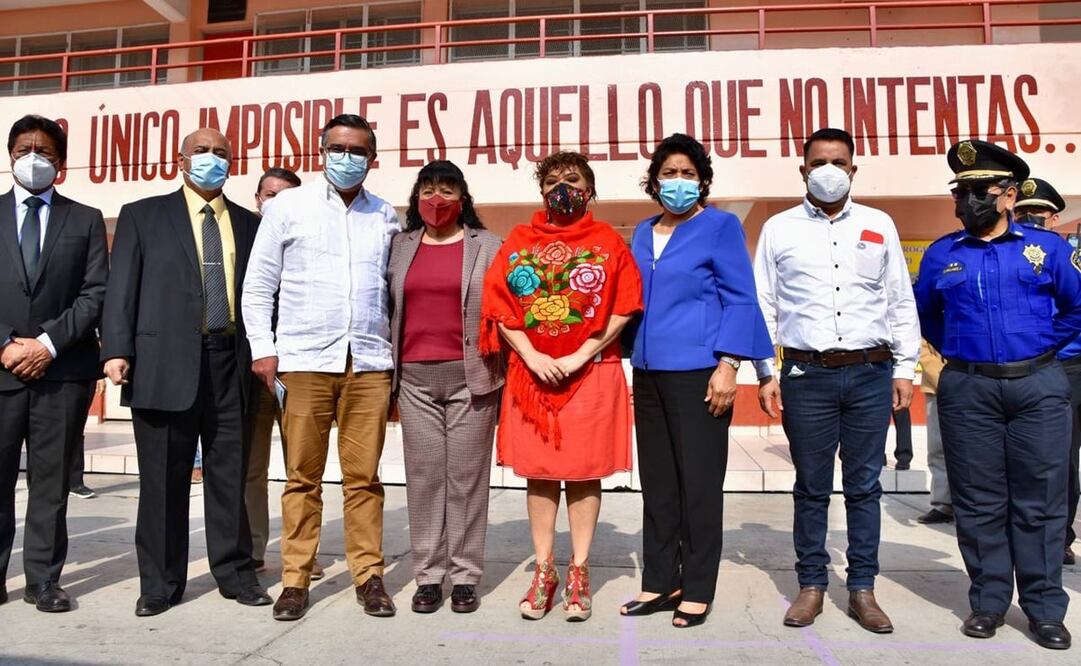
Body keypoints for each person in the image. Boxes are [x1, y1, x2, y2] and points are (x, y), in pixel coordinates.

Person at [754, 128, 920, 633]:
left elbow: (899, 299)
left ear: (853, 169)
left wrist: (905, 367)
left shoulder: (879, 223)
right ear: (803, 170)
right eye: (819, 161)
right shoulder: (779, 228)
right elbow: (764, 303)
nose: (829, 169)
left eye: (839, 161)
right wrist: (765, 372)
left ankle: (863, 589)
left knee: (865, 485)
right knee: (810, 486)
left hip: (871, 373)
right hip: (806, 375)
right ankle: (811, 586)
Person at [914, 140, 1078, 650]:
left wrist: (1038, 348)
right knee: (979, 500)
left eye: (979, 191)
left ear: (1008, 196)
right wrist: (966, 355)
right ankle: (987, 602)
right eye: (960, 192)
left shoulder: (1046, 249)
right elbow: (928, 316)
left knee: (1040, 499)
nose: (967, 201)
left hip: (1038, 385)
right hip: (969, 387)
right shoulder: (943, 252)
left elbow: (1076, 308)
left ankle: (1045, 607)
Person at [101, 127, 270, 617]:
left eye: (221, 153)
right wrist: (116, 349)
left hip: (230, 361)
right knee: (161, 480)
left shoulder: (249, 223)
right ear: (181, 160)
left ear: (232, 164)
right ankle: (159, 583)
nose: (211, 159)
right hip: (162, 362)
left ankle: (236, 574)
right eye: (202, 151)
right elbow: (121, 289)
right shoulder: (143, 216)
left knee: (228, 475)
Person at [244, 114, 400, 621]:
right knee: (301, 478)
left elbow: (393, 295)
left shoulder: (386, 216)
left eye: (358, 150)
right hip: (305, 361)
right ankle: (295, 579)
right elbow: (258, 286)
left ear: (372, 158)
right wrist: (263, 350)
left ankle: (369, 576)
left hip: (369, 362)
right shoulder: (289, 207)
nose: (348, 157)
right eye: (338, 147)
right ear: (321, 151)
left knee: (364, 479)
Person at [480, 151, 642, 623]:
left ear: (590, 190)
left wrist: (578, 354)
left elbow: (625, 305)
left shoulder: (608, 242)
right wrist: (531, 354)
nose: (562, 188)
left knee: (585, 471)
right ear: (541, 191)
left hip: (591, 371)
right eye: (552, 181)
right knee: (541, 472)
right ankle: (544, 569)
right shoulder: (518, 242)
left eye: (572, 179)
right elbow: (498, 305)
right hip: (532, 376)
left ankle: (580, 570)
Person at [621, 133, 773, 628]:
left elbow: (741, 298)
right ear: (655, 180)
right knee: (658, 485)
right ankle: (660, 580)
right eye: (670, 173)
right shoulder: (642, 232)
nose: (678, 182)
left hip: (701, 376)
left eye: (689, 174)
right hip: (647, 374)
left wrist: (730, 364)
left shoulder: (721, 227)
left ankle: (698, 585)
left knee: (700, 485)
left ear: (702, 180)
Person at [0, 115, 108, 612]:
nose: (33, 158)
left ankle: (42, 579)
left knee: (51, 484)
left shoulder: (84, 219)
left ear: (60, 163)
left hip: (61, 372)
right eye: (24, 149)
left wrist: (46, 344)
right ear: (10, 156)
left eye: (44, 151)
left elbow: (95, 293)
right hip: (0, 370)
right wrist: (6, 344)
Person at [388, 160, 504, 614]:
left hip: (471, 378)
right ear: (417, 196)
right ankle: (429, 576)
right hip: (414, 379)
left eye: (447, 190)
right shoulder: (399, 246)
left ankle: (466, 576)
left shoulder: (489, 245)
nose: (437, 200)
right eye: (429, 189)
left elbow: (505, 309)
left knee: (466, 482)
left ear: (463, 197)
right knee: (424, 479)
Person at [243, 166, 319, 576]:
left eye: (286, 195)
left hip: (298, 368)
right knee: (252, 468)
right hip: (253, 369)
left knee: (302, 468)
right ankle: (254, 549)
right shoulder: (240, 235)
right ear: (257, 198)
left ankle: (302, 554)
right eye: (270, 194)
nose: (276, 201)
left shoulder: (306, 235)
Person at [1012, 178, 1078, 566]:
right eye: (1023, 214)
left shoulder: (1068, 258)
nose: (1030, 221)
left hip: (1068, 366)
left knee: (1062, 460)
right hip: (1027, 366)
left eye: (1037, 215)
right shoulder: (1009, 252)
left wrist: (1044, 345)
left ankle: (1060, 535)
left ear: (1054, 220)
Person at [916, 340, 952, 524]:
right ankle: (943, 503)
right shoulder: (931, 312)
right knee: (937, 447)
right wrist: (941, 376)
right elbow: (921, 346)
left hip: (972, 381)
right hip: (935, 385)